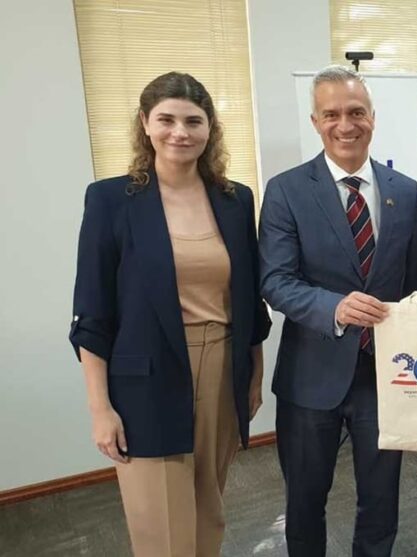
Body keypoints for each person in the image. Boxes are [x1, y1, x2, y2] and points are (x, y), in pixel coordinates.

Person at [70, 71, 271, 556]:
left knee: (207, 508)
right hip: (146, 375)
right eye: (166, 119)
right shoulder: (111, 200)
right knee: (161, 523)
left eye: (193, 121)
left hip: (221, 366)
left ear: (210, 128)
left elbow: (249, 298)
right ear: (145, 123)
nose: (180, 132)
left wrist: (253, 375)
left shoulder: (235, 199)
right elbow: (92, 313)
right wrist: (100, 409)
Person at [259, 64, 417, 557]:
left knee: (381, 501)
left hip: (386, 375)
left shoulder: (405, 191)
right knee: (305, 501)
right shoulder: (287, 190)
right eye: (331, 114)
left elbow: (415, 280)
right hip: (311, 377)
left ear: (373, 116)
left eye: (356, 112)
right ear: (315, 121)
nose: (345, 124)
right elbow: (275, 281)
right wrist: (335, 307)